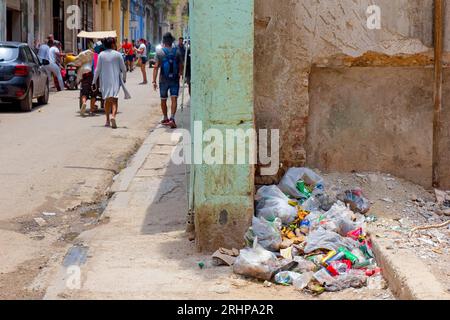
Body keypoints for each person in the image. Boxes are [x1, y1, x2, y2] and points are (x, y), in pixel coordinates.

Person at [93, 37, 130, 129]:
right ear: (113, 44)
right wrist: (124, 79)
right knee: (115, 100)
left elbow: (97, 70)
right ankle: (113, 116)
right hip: (115, 81)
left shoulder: (101, 55)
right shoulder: (118, 55)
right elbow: (124, 69)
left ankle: (107, 120)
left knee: (107, 100)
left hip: (104, 81)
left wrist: (94, 81)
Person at [152, 32, 183, 129]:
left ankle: (165, 117)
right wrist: (180, 73)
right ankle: (172, 118)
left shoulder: (160, 52)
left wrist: (154, 81)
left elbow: (156, 67)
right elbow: (181, 65)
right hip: (174, 79)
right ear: (172, 41)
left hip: (163, 80)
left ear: (164, 42)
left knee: (163, 99)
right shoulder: (177, 51)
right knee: (174, 98)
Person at [80, 42, 104, 117]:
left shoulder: (86, 56)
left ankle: (84, 102)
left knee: (84, 93)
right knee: (94, 94)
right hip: (94, 78)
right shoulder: (98, 56)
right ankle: (91, 110)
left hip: (85, 77)